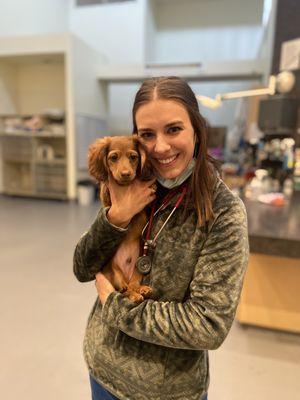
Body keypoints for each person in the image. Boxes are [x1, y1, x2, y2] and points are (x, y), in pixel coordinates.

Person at [73, 76, 249, 400]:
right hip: (102, 369)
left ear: (196, 129)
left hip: (167, 391)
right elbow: (83, 268)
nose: (161, 147)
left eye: (173, 129)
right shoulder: (129, 187)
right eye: (147, 135)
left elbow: (207, 325)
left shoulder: (224, 214)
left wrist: (113, 305)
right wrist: (115, 218)